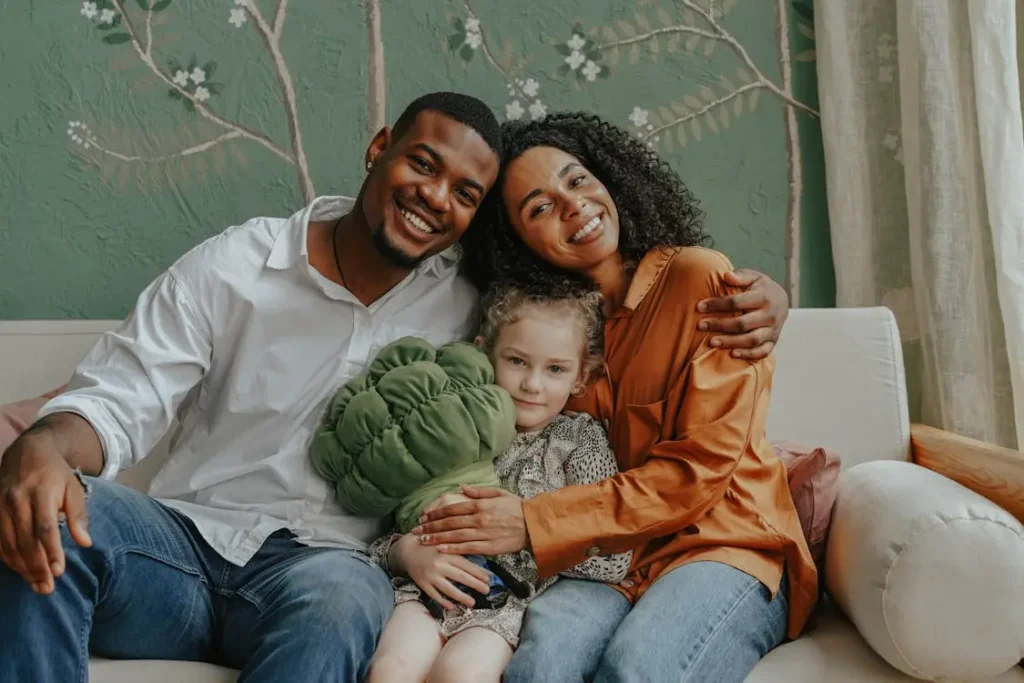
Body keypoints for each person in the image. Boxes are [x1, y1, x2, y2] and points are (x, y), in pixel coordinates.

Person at [0, 92, 786, 682]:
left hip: (330, 564)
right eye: (421, 164)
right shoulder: (237, 265)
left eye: (466, 194)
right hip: (187, 540)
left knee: (341, 602)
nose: (435, 198)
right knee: (52, 506)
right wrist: (42, 440)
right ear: (381, 148)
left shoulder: (483, 308)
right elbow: (123, 391)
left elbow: (590, 385)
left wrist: (774, 300)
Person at [415, 111, 819, 683]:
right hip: (601, 567)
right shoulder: (545, 336)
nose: (572, 204)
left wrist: (534, 521)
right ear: (516, 241)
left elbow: (698, 471)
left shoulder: (699, 281)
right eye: (539, 207)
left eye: (576, 180)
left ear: (608, 179)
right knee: (537, 670)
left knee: (637, 671)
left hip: (725, 547)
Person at [367, 285, 631, 683]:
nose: (533, 384)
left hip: (502, 607)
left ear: (582, 376)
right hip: (423, 587)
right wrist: (404, 553)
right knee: (392, 669)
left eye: (555, 369)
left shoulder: (580, 441)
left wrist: (532, 532)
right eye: (517, 361)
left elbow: (613, 559)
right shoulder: (452, 427)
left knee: (460, 674)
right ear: (484, 354)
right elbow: (381, 536)